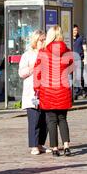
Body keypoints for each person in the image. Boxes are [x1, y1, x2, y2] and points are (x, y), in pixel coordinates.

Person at [34, 26, 74, 157]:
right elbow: (72, 67)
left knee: (51, 120)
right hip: (62, 88)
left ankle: (55, 148)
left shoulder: (43, 51)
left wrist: (37, 88)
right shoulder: (67, 51)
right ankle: (66, 146)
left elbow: (37, 72)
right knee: (62, 119)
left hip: (48, 90)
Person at [19, 30, 49, 155]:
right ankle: (33, 145)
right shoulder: (27, 55)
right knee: (34, 120)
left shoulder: (47, 54)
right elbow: (21, 73)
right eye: (41, 40)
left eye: (44, 39)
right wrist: (33, 67)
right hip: (32, 92)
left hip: (46, 91)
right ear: (35, 41)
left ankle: (40, 144)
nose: (43, 42)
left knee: (45, 120)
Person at [73, 25, 87, 99]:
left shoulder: (81, 38)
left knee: (79, 76)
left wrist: (85, 59)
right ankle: (77, 91)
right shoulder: (68, 38)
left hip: (80, 60)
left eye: (76, 30)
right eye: (74, 30)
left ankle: (82, 90)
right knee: (74, 77)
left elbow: (85, 48)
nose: (75, 32)